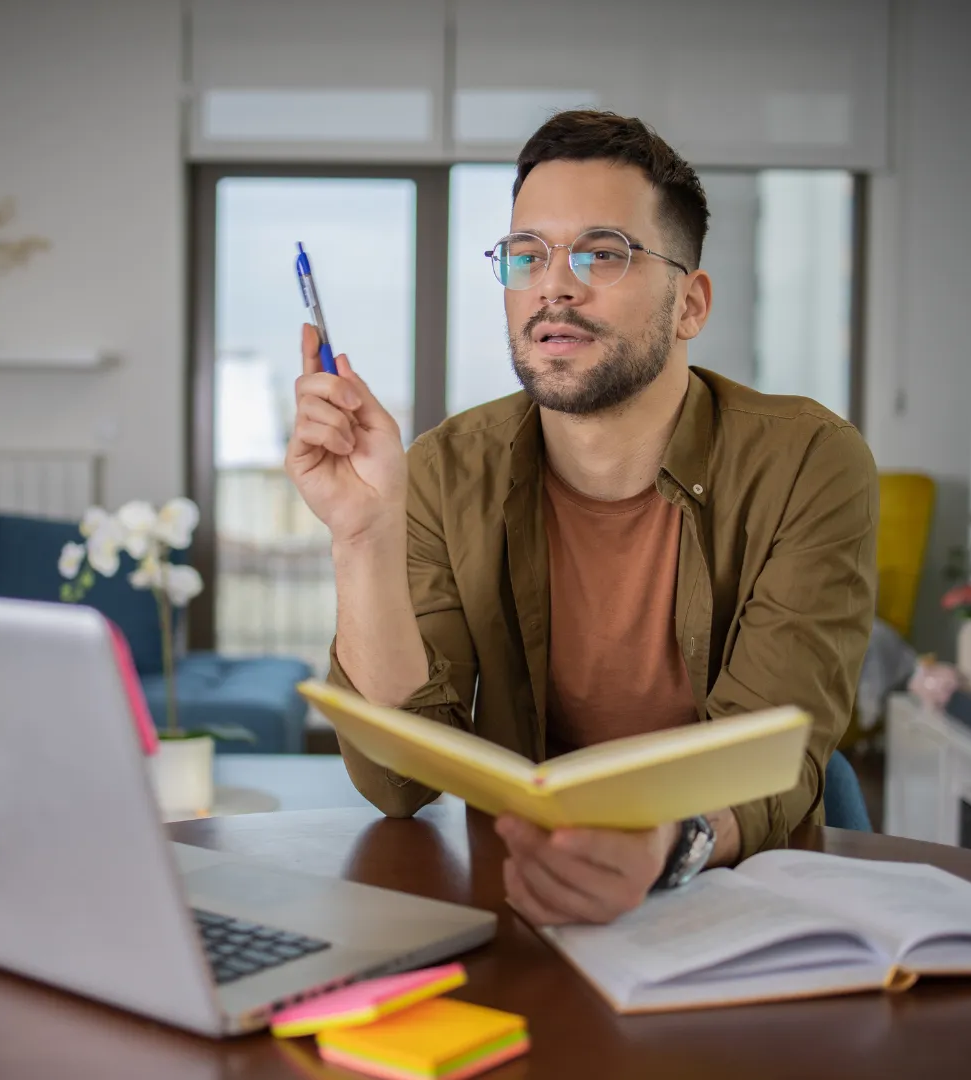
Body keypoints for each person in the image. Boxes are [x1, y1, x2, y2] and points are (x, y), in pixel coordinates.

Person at [285, 110, 878, 926]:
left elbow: (778, 750)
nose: (553, 285)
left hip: (737, 890)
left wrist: (662, 848)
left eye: (603, 252)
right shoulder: (442, 471)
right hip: (530, 890)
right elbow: (398, 781)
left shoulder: (810, 460)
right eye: (526, 255)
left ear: (690, 304)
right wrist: (360, 537)